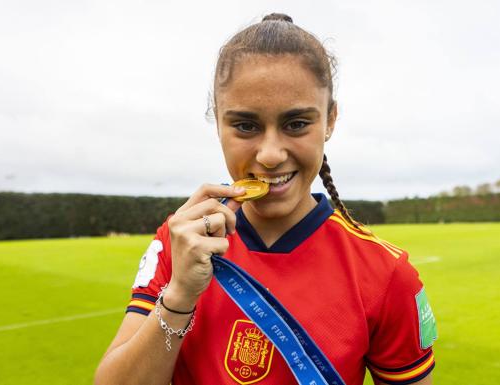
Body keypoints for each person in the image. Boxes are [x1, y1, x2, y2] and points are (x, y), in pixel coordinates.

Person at [94, 13, 437, 385]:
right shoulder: (178, 242)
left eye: (296, 124)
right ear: (219, 123)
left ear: (330, 120)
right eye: (245, 125)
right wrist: (179, 294)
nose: (271, 154)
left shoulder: (386, 273)